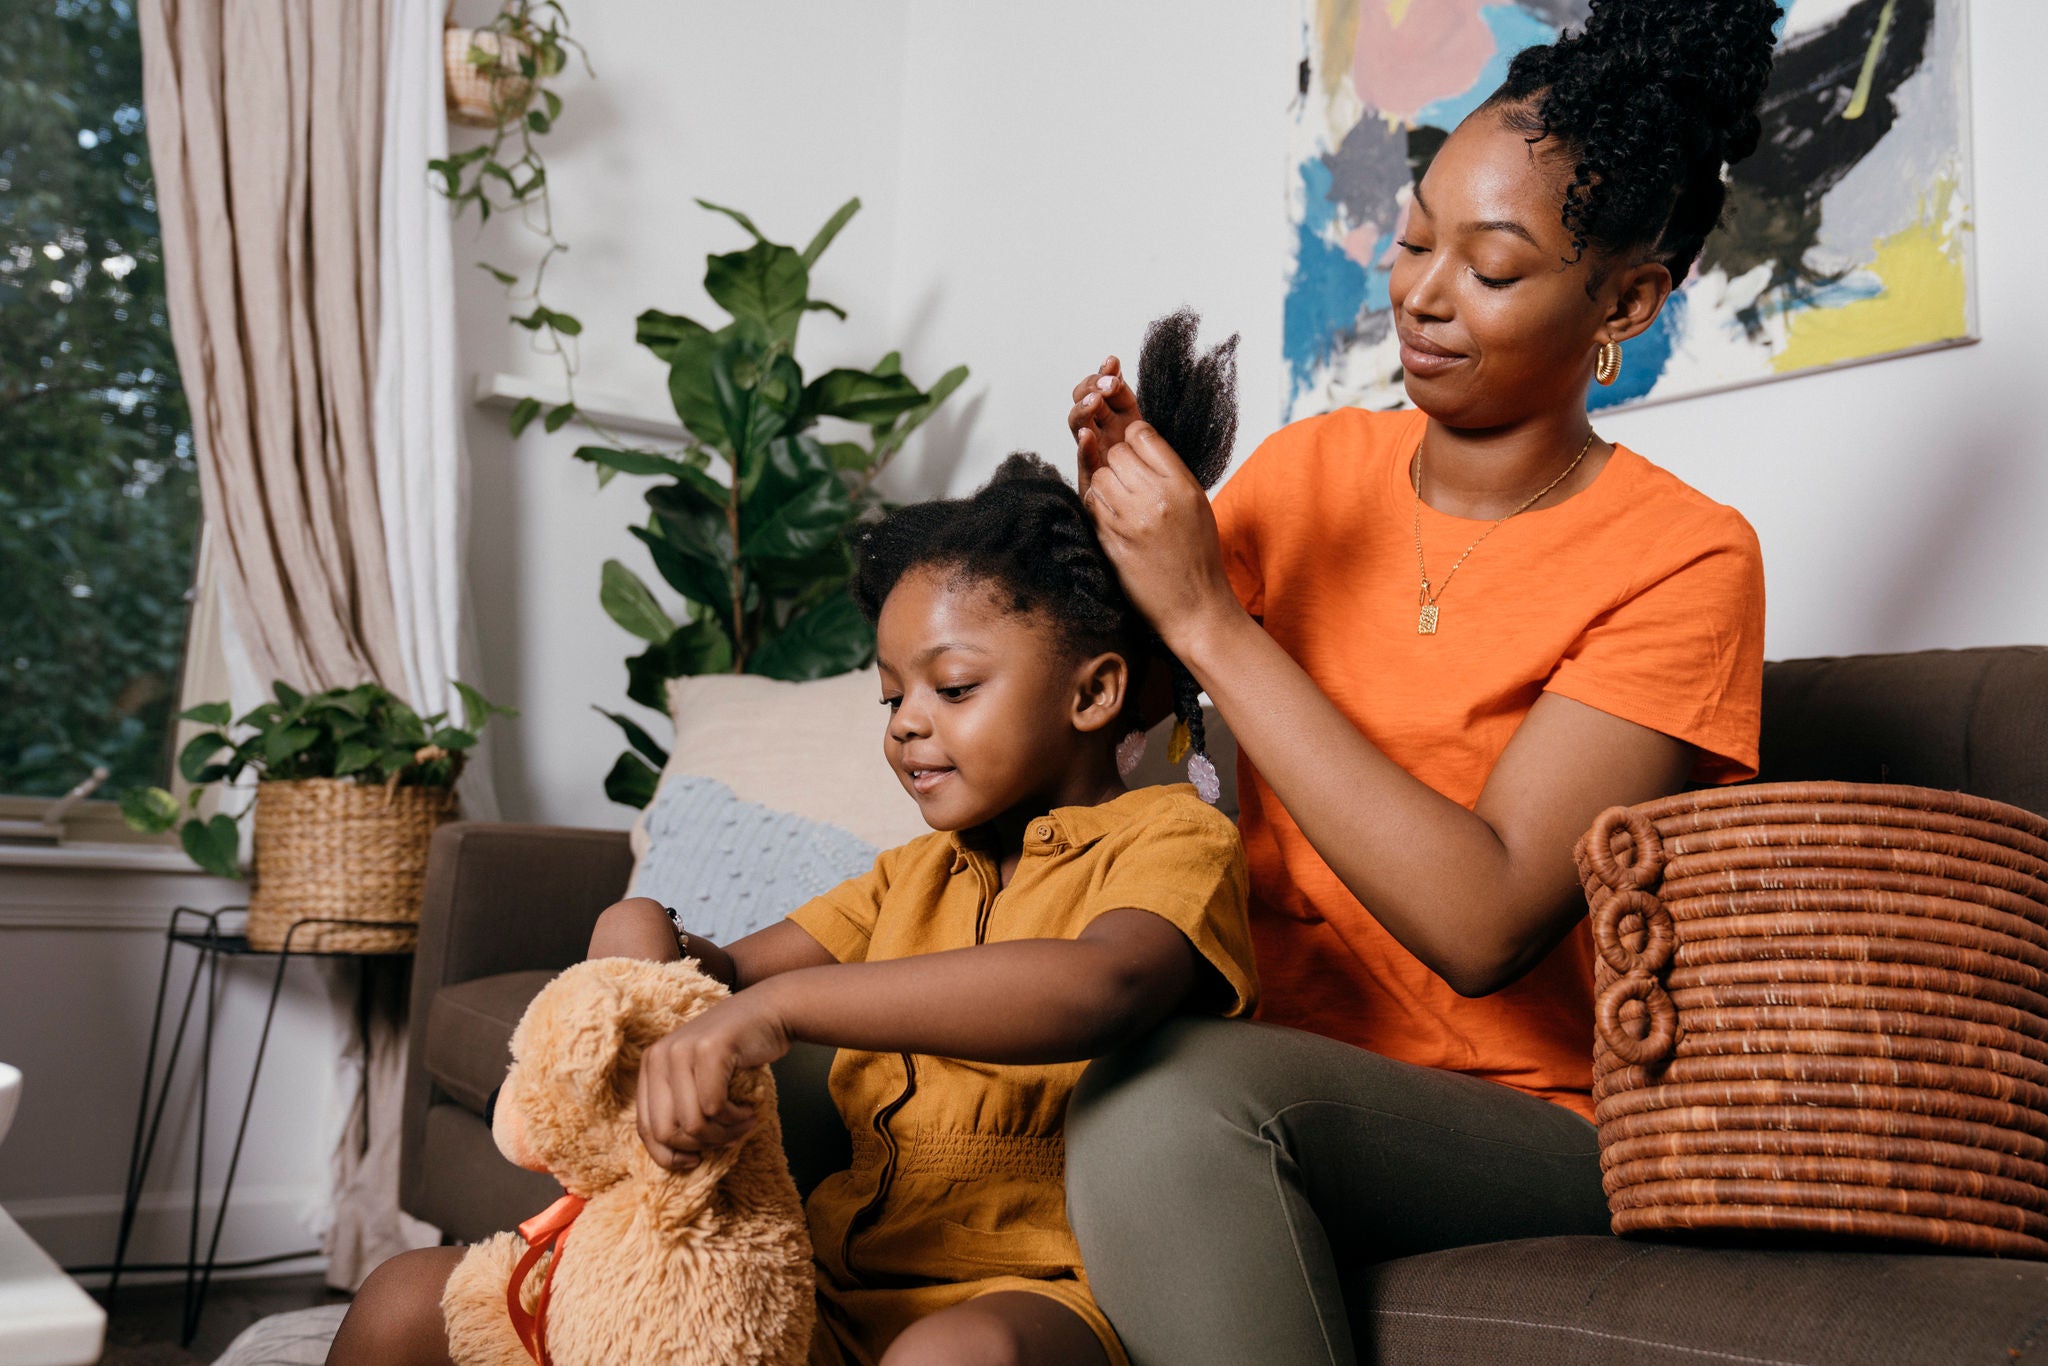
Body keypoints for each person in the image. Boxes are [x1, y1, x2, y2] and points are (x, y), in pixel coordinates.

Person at [1059, 2, 1778, 1362]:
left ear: (1624, 300)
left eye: (1493, 268)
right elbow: (1139, 749)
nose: (1425, 293)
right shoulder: (1308, 473)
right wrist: (1113, 547)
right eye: (1415, 236)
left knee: (1162, 1102)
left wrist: (1210, 619)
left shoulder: (1686, 559)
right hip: (1262, 1041)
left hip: (1523, 1115)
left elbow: (1485, 913)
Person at [327, 330, 1257, 1366]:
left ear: (1092, 692)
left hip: (1037, 1294)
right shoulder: (905, 881)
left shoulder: (1170, 836)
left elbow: (1099, 983)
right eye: (891, 695)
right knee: (406, 1298)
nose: (905, 724)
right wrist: (636, 937)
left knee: (953, 1360)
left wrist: (771, 1012)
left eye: (950, 689)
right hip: (818, 1281)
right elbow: (711, 970)